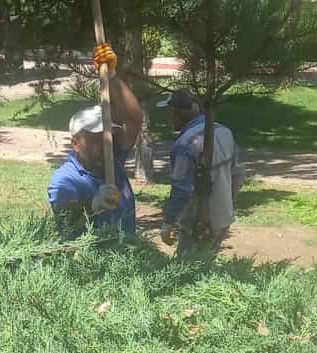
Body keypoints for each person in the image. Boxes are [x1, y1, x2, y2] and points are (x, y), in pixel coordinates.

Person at [46, 43, 144, 239]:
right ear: (75, 143)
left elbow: (134, 120)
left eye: (107, 135)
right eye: (96, 139)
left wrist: (112, 76)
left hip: (129, 261)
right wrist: (93, 205)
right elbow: (66, 222)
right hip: (93, 266)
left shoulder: (113, 162)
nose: (106, 144)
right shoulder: (65, 181)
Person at [159, 88, 241, 250]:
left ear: (177, 113)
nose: (169, 117)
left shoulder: (185, 145)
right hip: (224, 217)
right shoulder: (224, 131)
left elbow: (182, 190)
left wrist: (168, 222)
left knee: (189, 269)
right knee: (207, 265)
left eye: (170, 112)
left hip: (199, 224)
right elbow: (238, 175)